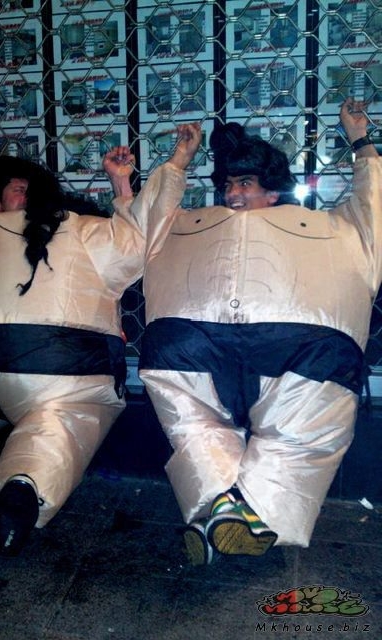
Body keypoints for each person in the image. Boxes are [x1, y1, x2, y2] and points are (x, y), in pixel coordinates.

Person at [134, 97, 382, 565]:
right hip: (200, 344)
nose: (232, 194)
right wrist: (179, 160)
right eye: (228, 184)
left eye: (245, 183)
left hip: (293, 348)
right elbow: (150, 223)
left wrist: (360, 140)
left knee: (272, 425)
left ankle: (221, 512)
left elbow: (373, 208)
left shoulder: (328, 227)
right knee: (210, 423)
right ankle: (244, 511)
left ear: (273, 192)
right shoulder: (196, 227)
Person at [0, 147, 151, 556]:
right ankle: (27, 486)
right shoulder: (73, 227)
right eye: (19, 188)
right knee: (63, 416)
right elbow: (132, 246)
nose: (26, 196)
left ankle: (14, 490)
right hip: (40, 366)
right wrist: (121, 185)